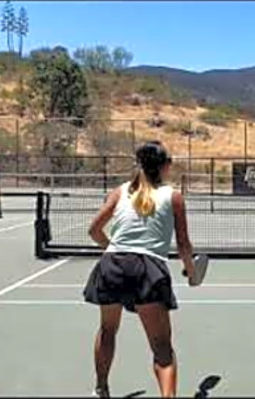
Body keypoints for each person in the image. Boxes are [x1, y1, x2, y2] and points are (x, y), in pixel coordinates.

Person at [84, 141, 197, 398]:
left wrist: (112, 248)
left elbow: (93, 231)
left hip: (111, 264)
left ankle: (101, 388)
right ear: (165, 166)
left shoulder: (121, 191)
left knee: (107, 330)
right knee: (162, 349)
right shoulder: (174, 197)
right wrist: (192, 272)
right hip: (147, 269)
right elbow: (183, 246)